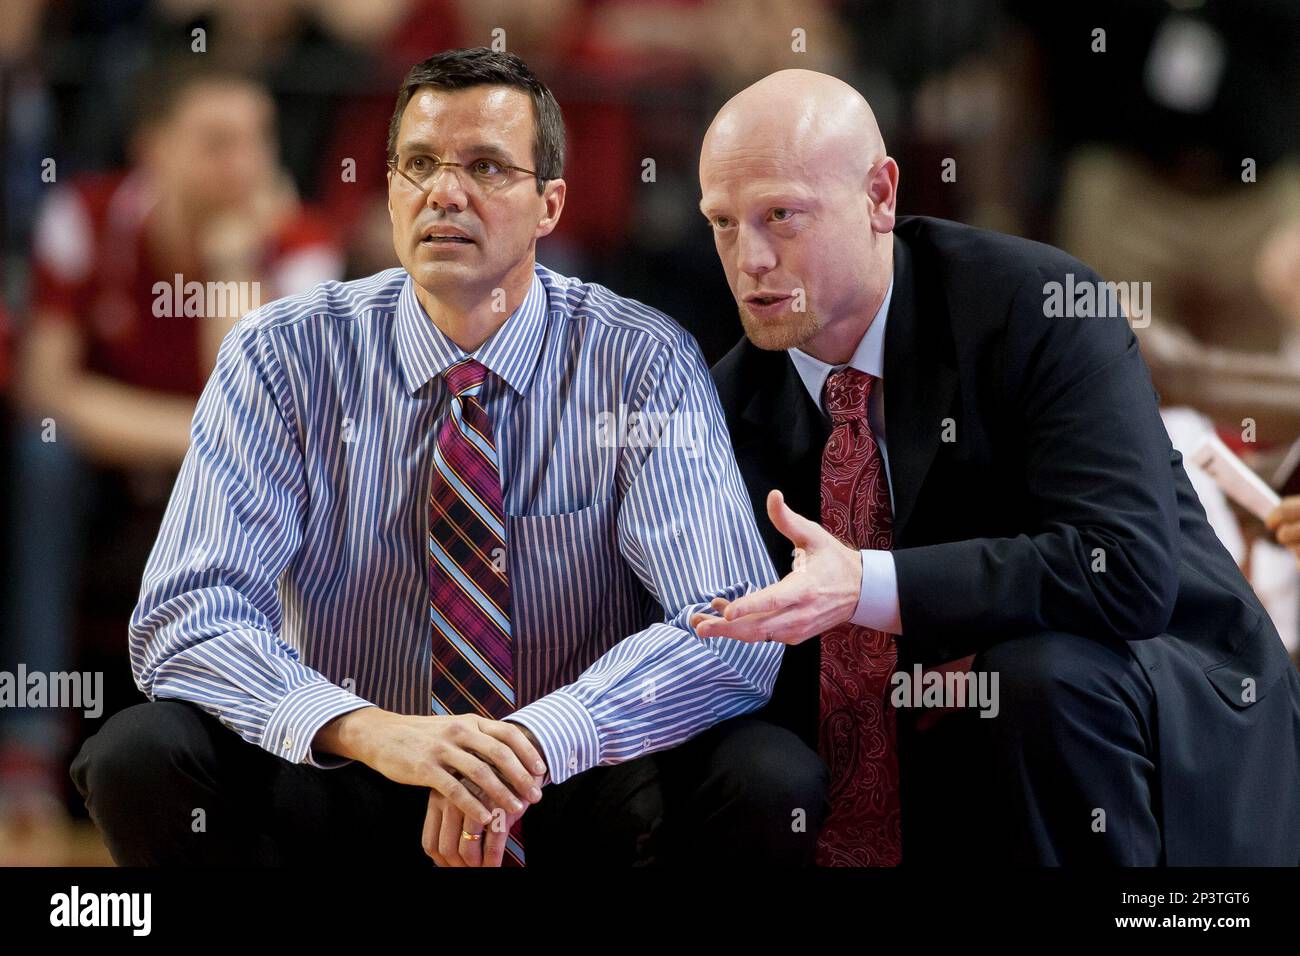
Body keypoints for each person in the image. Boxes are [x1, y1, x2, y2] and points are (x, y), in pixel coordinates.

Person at [71, 48, 827, 867]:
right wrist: (367, 731)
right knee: (139, 754)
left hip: (575, 779)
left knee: (768, 776)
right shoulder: (281, 356)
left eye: (487, 167)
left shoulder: (638, 361)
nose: (445, 192)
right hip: (360, 770)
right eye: (419, 163)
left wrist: (535, 741)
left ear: (549, 205)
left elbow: (734, 628)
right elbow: (186, 616)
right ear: (391, 186)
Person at [696, 69, 1300, 865]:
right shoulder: (724, 400)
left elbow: (1125, 571)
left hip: (1154, 686)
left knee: (1036, 680)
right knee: (752, 764)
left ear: (880, 196)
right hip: (934, 729)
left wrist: (871, 586)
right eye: (724, 223)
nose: (752, 259)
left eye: (782, 215)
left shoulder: (1037, 304)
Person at [1, 62, 340, 831]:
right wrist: (197, 434)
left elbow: (260, 420)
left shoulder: (299, 241)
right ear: (153, 147)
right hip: (105, 473)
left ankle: (257, 742)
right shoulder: (83, 214)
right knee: (39, 455)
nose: (245, 165)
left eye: (257, 141)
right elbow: (46, 389)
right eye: (217, 143)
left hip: (237, 485)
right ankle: (26, 740)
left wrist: (229, 264)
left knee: (303, 475)